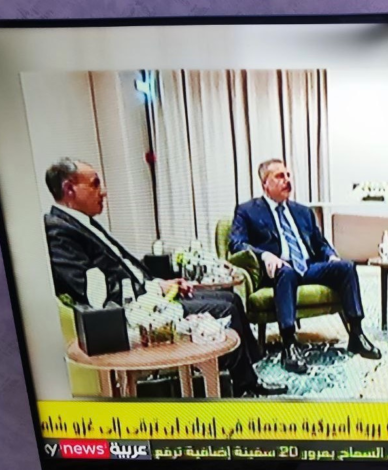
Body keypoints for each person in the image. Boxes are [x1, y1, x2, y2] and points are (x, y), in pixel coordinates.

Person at [43, 158, 287, 398]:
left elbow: (125, 268)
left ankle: (250, 372)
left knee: (230, 298)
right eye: (95, 184)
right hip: (133, 311)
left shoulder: (84, 223)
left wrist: (161, 283)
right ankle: (243, 383)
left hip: (148, 294)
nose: (103, 192)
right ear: (69, 189)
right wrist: (156, 291)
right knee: (226, 309)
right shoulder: (59, 231)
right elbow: (88, 289)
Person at [228, 159, 381, 374]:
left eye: (288, 175)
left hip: (308, 267)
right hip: (278, 271)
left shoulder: (302, 212)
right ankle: (289, 344)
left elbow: (320, 243)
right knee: (286, 272)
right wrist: (265, 256)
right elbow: (236, 243)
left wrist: (331, 256)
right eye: (279, 176)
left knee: (346, 267)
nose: (287, 180)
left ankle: (356, 334)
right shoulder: (247, 211)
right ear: (265, 184)